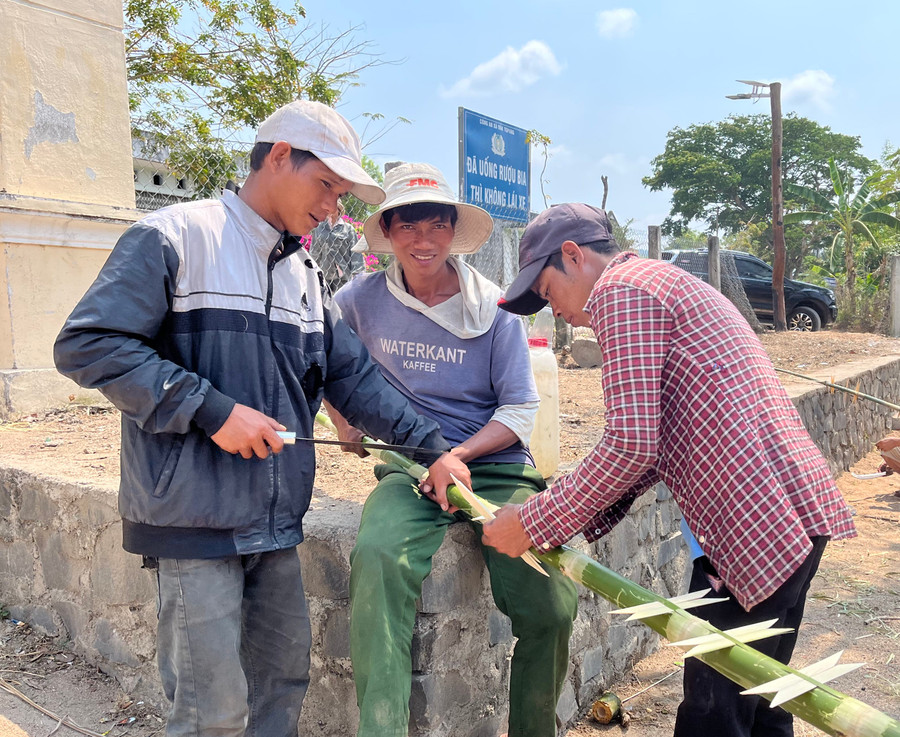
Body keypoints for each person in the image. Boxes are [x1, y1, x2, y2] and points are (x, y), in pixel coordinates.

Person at [53, 102, 468, 737]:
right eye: (326, 185)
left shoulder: (305, 276)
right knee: (210, 714)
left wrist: (431, 447)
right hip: (194, 521)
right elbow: (89, 344)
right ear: (278, 156)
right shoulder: (175, 236)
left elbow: (352, 378)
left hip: (275, 526)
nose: (333, 207)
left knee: (281, 690)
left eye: (341, 192)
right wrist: (212, 411)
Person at [481, 203, 857, 737]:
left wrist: (534, 522)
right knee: (763, 704)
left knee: (713, 716)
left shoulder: (620, 290)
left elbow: (630, 443)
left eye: (547, 291)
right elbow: (650, 448)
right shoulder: (660, 281)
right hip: (790, 514)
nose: (554, 311)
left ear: (572, 255)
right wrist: (555, 510)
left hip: (756, 527)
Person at [326, 163, 578, 737]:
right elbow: (324, 364)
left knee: (551, 602)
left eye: (436, 226)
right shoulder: (358, 300)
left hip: (494, 470)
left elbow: (518, 411)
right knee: (378, 559)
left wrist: (459, 455)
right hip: (409, 468)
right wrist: (344, 421)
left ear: (452, 232)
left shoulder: (494, 308)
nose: (423, 241)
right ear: (387, 232)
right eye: (407, 226)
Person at [308, 199, 363, 293]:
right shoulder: (320, 228)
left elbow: (355, 253)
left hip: (343, 276)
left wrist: (358, 276)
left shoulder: (348, 229)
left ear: (338, 210)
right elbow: (315, 251)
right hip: (325, 275)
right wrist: (310, 271)